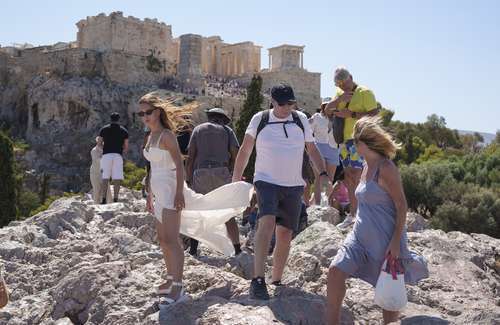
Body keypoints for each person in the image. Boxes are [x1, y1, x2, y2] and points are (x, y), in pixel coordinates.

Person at [138, 93, 252, 306]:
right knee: (163, 239)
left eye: (148, 112)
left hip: (172, 190)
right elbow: (153, 167)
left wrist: (180, 192)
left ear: (158, 112)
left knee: (172, 240)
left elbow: (180, 166)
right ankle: (170, 280)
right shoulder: (150, 136)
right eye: (141, 113)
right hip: (159, 191)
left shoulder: (166, 136)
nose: (144, 116)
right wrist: (149, 194)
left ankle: (178, 290)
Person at [326, 116, 428, 325]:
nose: (353, 146)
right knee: (335, 272)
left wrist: (395, 242)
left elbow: (402, 205)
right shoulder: (365, 165)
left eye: (355, 142)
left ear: (365, 143)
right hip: (358, 238)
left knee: (388, 297)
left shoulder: (386, 168)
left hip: (384, 239)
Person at [232, 84, 329, 300]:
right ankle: (258, 280)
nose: (287, 107)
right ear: (273, 102)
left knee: (285, 233)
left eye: (291, 103)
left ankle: (276, 279)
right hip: (266, 181)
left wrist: (322, 173)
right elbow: (246, 149)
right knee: (266, 223)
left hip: (293, 185)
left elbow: (312, 149)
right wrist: (235, 179)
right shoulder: (260, 118)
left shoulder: (300, 119)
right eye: (282, 103)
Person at [325, 67, 380, 224]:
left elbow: (375, 115)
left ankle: (362, 214)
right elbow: (327, 110)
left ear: (351, 77)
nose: (342, 86)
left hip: (359, 139)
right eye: (339, 84)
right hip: (343, 140)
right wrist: (338, 101)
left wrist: (353, 115)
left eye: (344, 82)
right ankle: (353, 214)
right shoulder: (339, 94)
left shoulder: (365, 92)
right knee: (348, 176)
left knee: (357, 174)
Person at [185, 107, 242, 256]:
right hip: (221, 172)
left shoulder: (198, 129)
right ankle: (237, 249)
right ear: (223, 119)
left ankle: (193, 249)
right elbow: (236, 155)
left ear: (210, 117)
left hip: (201, 172)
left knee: (197, 212)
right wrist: (230, 171)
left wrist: (188, 179)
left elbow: (190, 157)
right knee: (228, 212)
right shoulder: (227, 131)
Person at [309, 102, 339, 205]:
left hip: (333, 149)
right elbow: (308, 131)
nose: (330, 107)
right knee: (319, 177)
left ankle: (326, 204)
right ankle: (317, 204)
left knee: (330, 178)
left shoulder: (338, 118)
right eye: (327, 105)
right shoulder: (317, 117)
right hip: (318, 148)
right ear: (323, 106)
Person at [97, 112, 129, 204]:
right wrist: (120, 151)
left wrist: (105, 148)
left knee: (105, 177)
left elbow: (99, 144)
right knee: (117, 177)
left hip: (106, 155)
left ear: (110, 119)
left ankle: (103, 199)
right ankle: (115, 199)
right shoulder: (124, 131)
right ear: (119, 119)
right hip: (118, 156)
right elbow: (126, 147)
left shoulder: (103, 129)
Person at [90, 137, 112, 203]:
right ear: (97, 141)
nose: (101, 142)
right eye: (100, 141)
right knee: (97, 190)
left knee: (107, 190)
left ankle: (110, 205)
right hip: (95, 173)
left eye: (102, 140)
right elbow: (97, 160)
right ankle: (96, 206)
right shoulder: (94, 150)